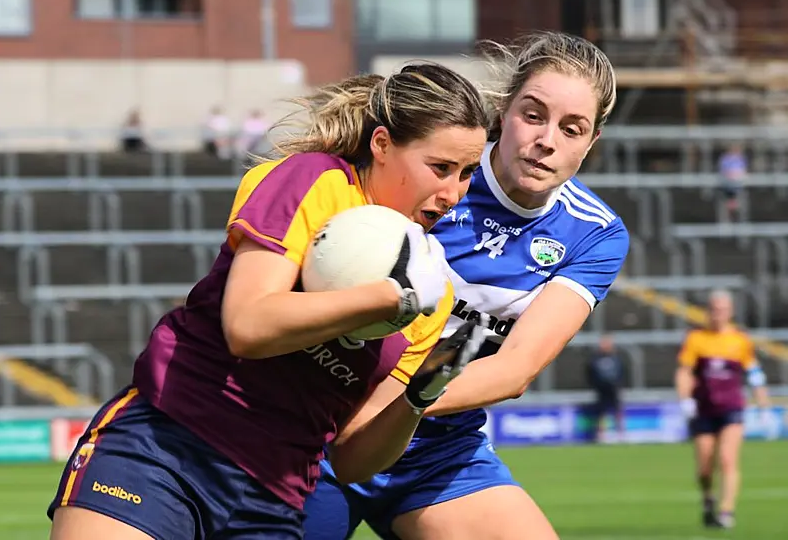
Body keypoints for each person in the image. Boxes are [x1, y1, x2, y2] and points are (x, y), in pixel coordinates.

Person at [47, 63, 492, 540]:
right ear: (381, 145)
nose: (453, 193)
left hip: (271, 502)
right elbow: (249, 326)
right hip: (165, 447)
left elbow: (352, 459)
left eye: (467, 173)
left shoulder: (434, 294)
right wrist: (387, 296)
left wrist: (420, 394)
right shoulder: (315, 181)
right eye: (440, 168)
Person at [303, 31, 629, 540]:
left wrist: (395, 407)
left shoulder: (596, 232)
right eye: (533, 114)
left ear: (591, 143)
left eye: (572, 128)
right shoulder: (435, 169)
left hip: (437, 447)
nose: (546, 140)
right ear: (504, 113)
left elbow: (515, 368)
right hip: (320, 423)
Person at [676, 289, 773, 530]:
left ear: (730, 312)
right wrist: (685, 401)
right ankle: (708, 499)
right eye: (714, 309)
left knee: (728, 460)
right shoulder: (696, 339)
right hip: (704, 409)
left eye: (722, 309)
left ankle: (726, 512)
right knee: (705, 467)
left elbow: (755, 374)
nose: (717, 314)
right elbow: (684, 371)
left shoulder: (740, 340)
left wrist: (764, 408)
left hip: (732, 409)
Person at [585, 333, 626, 443]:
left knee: (617, 411)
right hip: (601, 389)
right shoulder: (595, 359)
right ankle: (602, 434)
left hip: (614, 388)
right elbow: (590, 373)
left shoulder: (616, 358)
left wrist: (619, 384)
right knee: (602, 413)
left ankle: (621, 434)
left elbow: (622, 372)